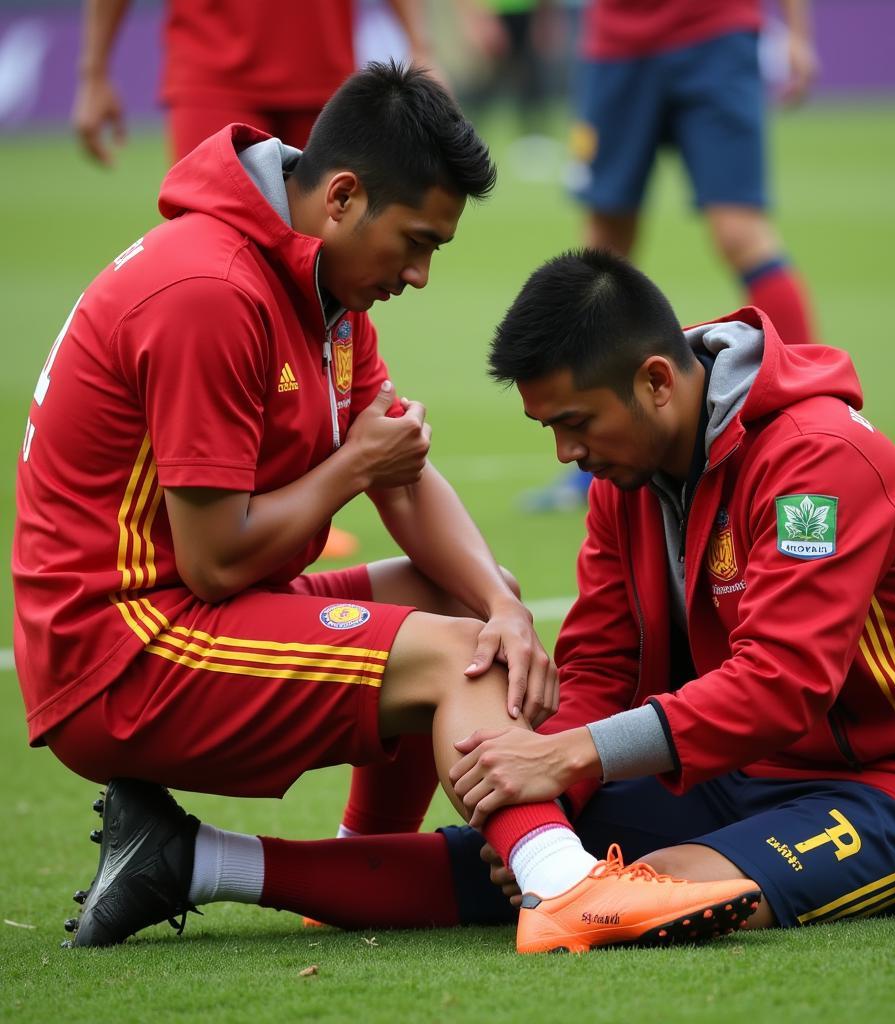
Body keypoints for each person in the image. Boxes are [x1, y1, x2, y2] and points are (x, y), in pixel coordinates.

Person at [14, 66, 759, 955]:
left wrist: (504, 604)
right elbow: (217, 557)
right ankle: (564, 886)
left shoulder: (311, 278)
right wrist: (351, 466)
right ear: (341, 197)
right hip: (120, 653)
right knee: (457, 657)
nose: (420, 273)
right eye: (414, 242)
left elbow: (399, 470)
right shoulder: (209, 291)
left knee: (468, 607)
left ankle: (355, 872)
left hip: (185, 611)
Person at [279, 248, 895, 933]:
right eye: (550, 430)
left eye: (575, 424)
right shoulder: (624, 477)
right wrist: (548, 803)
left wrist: (571, 756)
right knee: (518, 861)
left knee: (638, 896)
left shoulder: (820, 462)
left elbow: (782, 684)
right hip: (731, 770)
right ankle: (212, 865)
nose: (568, 454)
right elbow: (602, 667)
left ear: (657, 382)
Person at [523, 0, 818, 511]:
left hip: (716, 29)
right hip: (616, 42)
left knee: (740, 232)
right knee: (603, 245)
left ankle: (813, 422)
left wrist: (795, 31)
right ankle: (596, 452)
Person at [72, 0, 436, 164]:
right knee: (210, 249)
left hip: (324, 75)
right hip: (213, 71)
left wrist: (421, 46)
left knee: (334, 268)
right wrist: (93, 73)